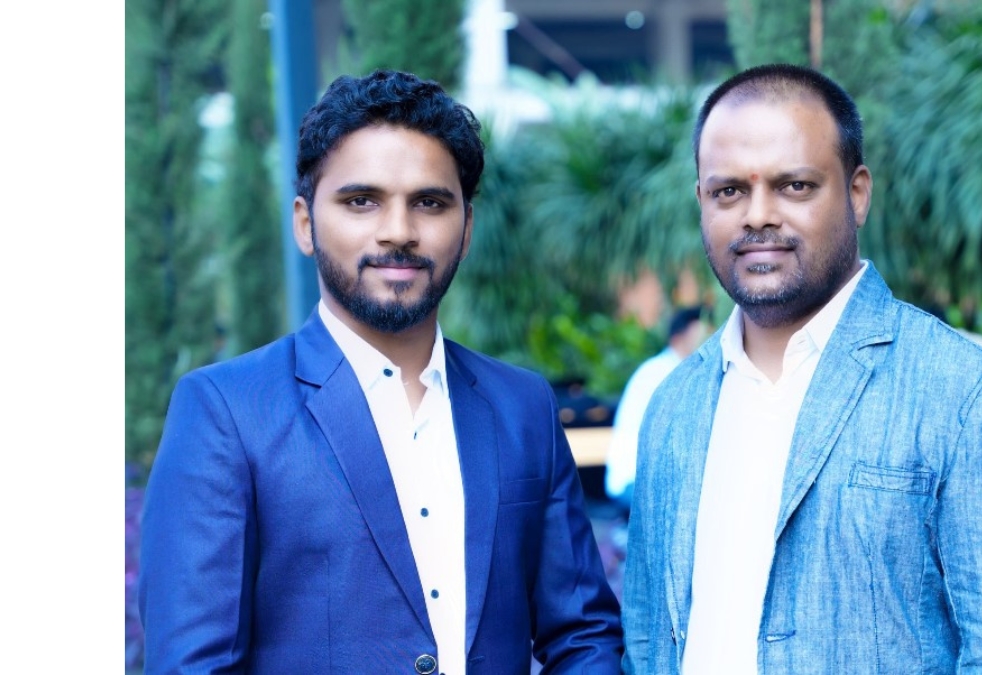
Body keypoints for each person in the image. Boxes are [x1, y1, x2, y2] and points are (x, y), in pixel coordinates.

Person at [138, 70, 623, 674]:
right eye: (361, 201)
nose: (399, 232)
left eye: (430, 203)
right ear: (305, 223)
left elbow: (583, 635)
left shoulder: (521, 405)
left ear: (467, 229)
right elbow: (192, 664)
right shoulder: (226, 411)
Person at [620, 63, 982, 673]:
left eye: (794, 186)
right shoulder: (673, 404)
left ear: (857, 193)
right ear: (701, 199)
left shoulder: (970, 396)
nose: (757, 215)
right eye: (729, 191)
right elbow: (648, 642)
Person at [605, 306, 710, 512]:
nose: (709, 341)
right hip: (634, 481)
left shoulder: (672, 369)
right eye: (701, 335)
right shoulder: (661, 374)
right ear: (677, 339)